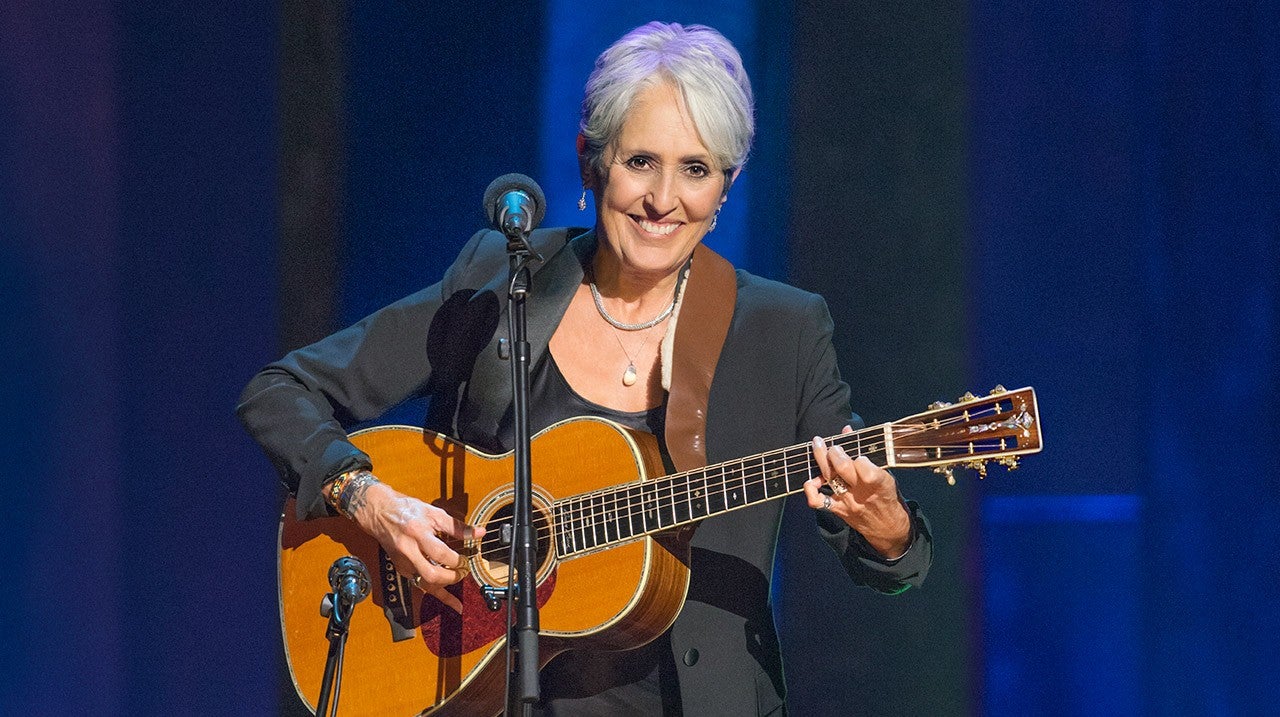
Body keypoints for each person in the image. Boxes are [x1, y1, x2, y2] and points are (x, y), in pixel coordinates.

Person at [239, 21, 932, 716]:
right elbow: (280, 391)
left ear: (726, 189)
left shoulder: (782, 329)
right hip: (476, 689)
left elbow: (893, 564)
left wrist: (887, 523)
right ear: (589, 161)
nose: (663, 199)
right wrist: (368, 499)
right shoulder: (498, 279)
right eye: (639, 162)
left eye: (696, 169)